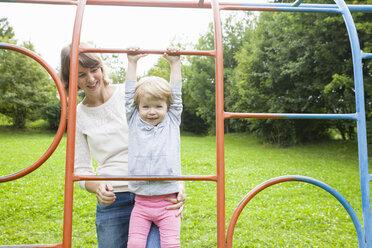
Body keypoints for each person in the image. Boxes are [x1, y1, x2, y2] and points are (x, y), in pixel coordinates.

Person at [59, 42, 186, 248]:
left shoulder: (133, 96)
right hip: (114, 198)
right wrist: (98, 186)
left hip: (154, 192)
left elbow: (166, 140)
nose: (91, 79)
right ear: (71, 79)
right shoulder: (77, 115)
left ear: (102, 68)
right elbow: (81, 170)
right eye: (81, 74)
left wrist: (178, 183)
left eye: (94, 70)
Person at [125, 47, 183, 248]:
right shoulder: (134, 120)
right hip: (140, 203)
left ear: (168, 107)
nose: (152, 112)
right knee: (134, 244)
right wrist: (132, 63)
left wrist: (175, 64)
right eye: (146, 106)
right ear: (138, 107)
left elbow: (176, 93)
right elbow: (128, 96)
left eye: (158, 106)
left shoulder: (172, 120)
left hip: (168, 202)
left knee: (171, 245)